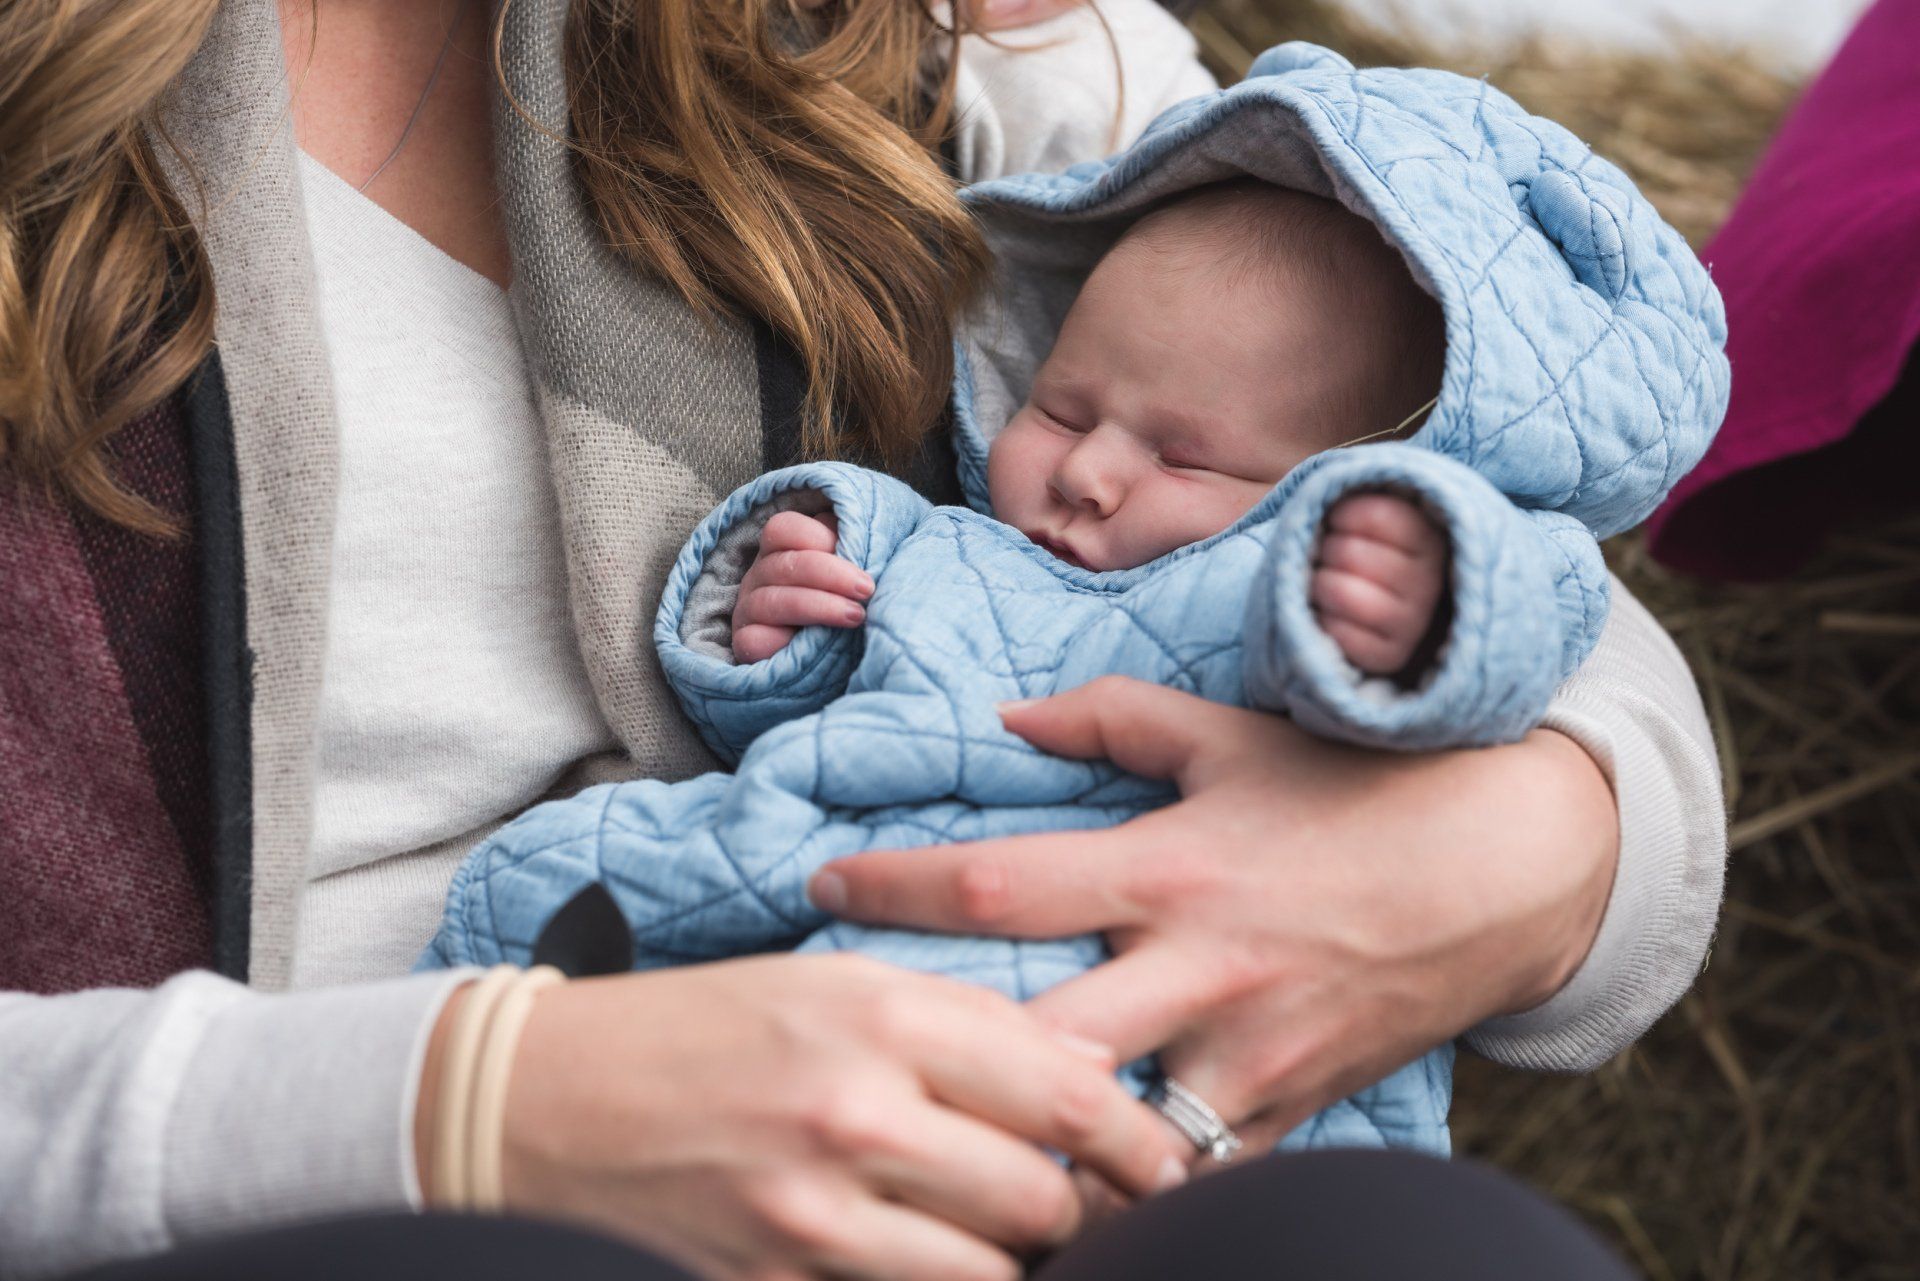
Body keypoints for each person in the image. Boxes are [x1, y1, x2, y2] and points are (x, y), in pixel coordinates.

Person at [0, 1, 1721, 1279]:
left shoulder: (862, 47)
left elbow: (1490, 479)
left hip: (964, 1087)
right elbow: (839, 586)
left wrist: (1524, 846)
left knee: (1413, 1253)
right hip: (298, 1138)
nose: (1094, 469)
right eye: (1071, 422)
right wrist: (471, 1095)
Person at [421, 69, 1726, 1169]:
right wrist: (778, 626)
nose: (1089, 471)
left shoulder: (1295, 599)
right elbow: (807, 687)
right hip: (823, 898)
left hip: (1173, 1019)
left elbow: (1530, 628)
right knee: (544, 881)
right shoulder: (962, 547)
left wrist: (1421, 607)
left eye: (1187, 456)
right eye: (1062, 406)